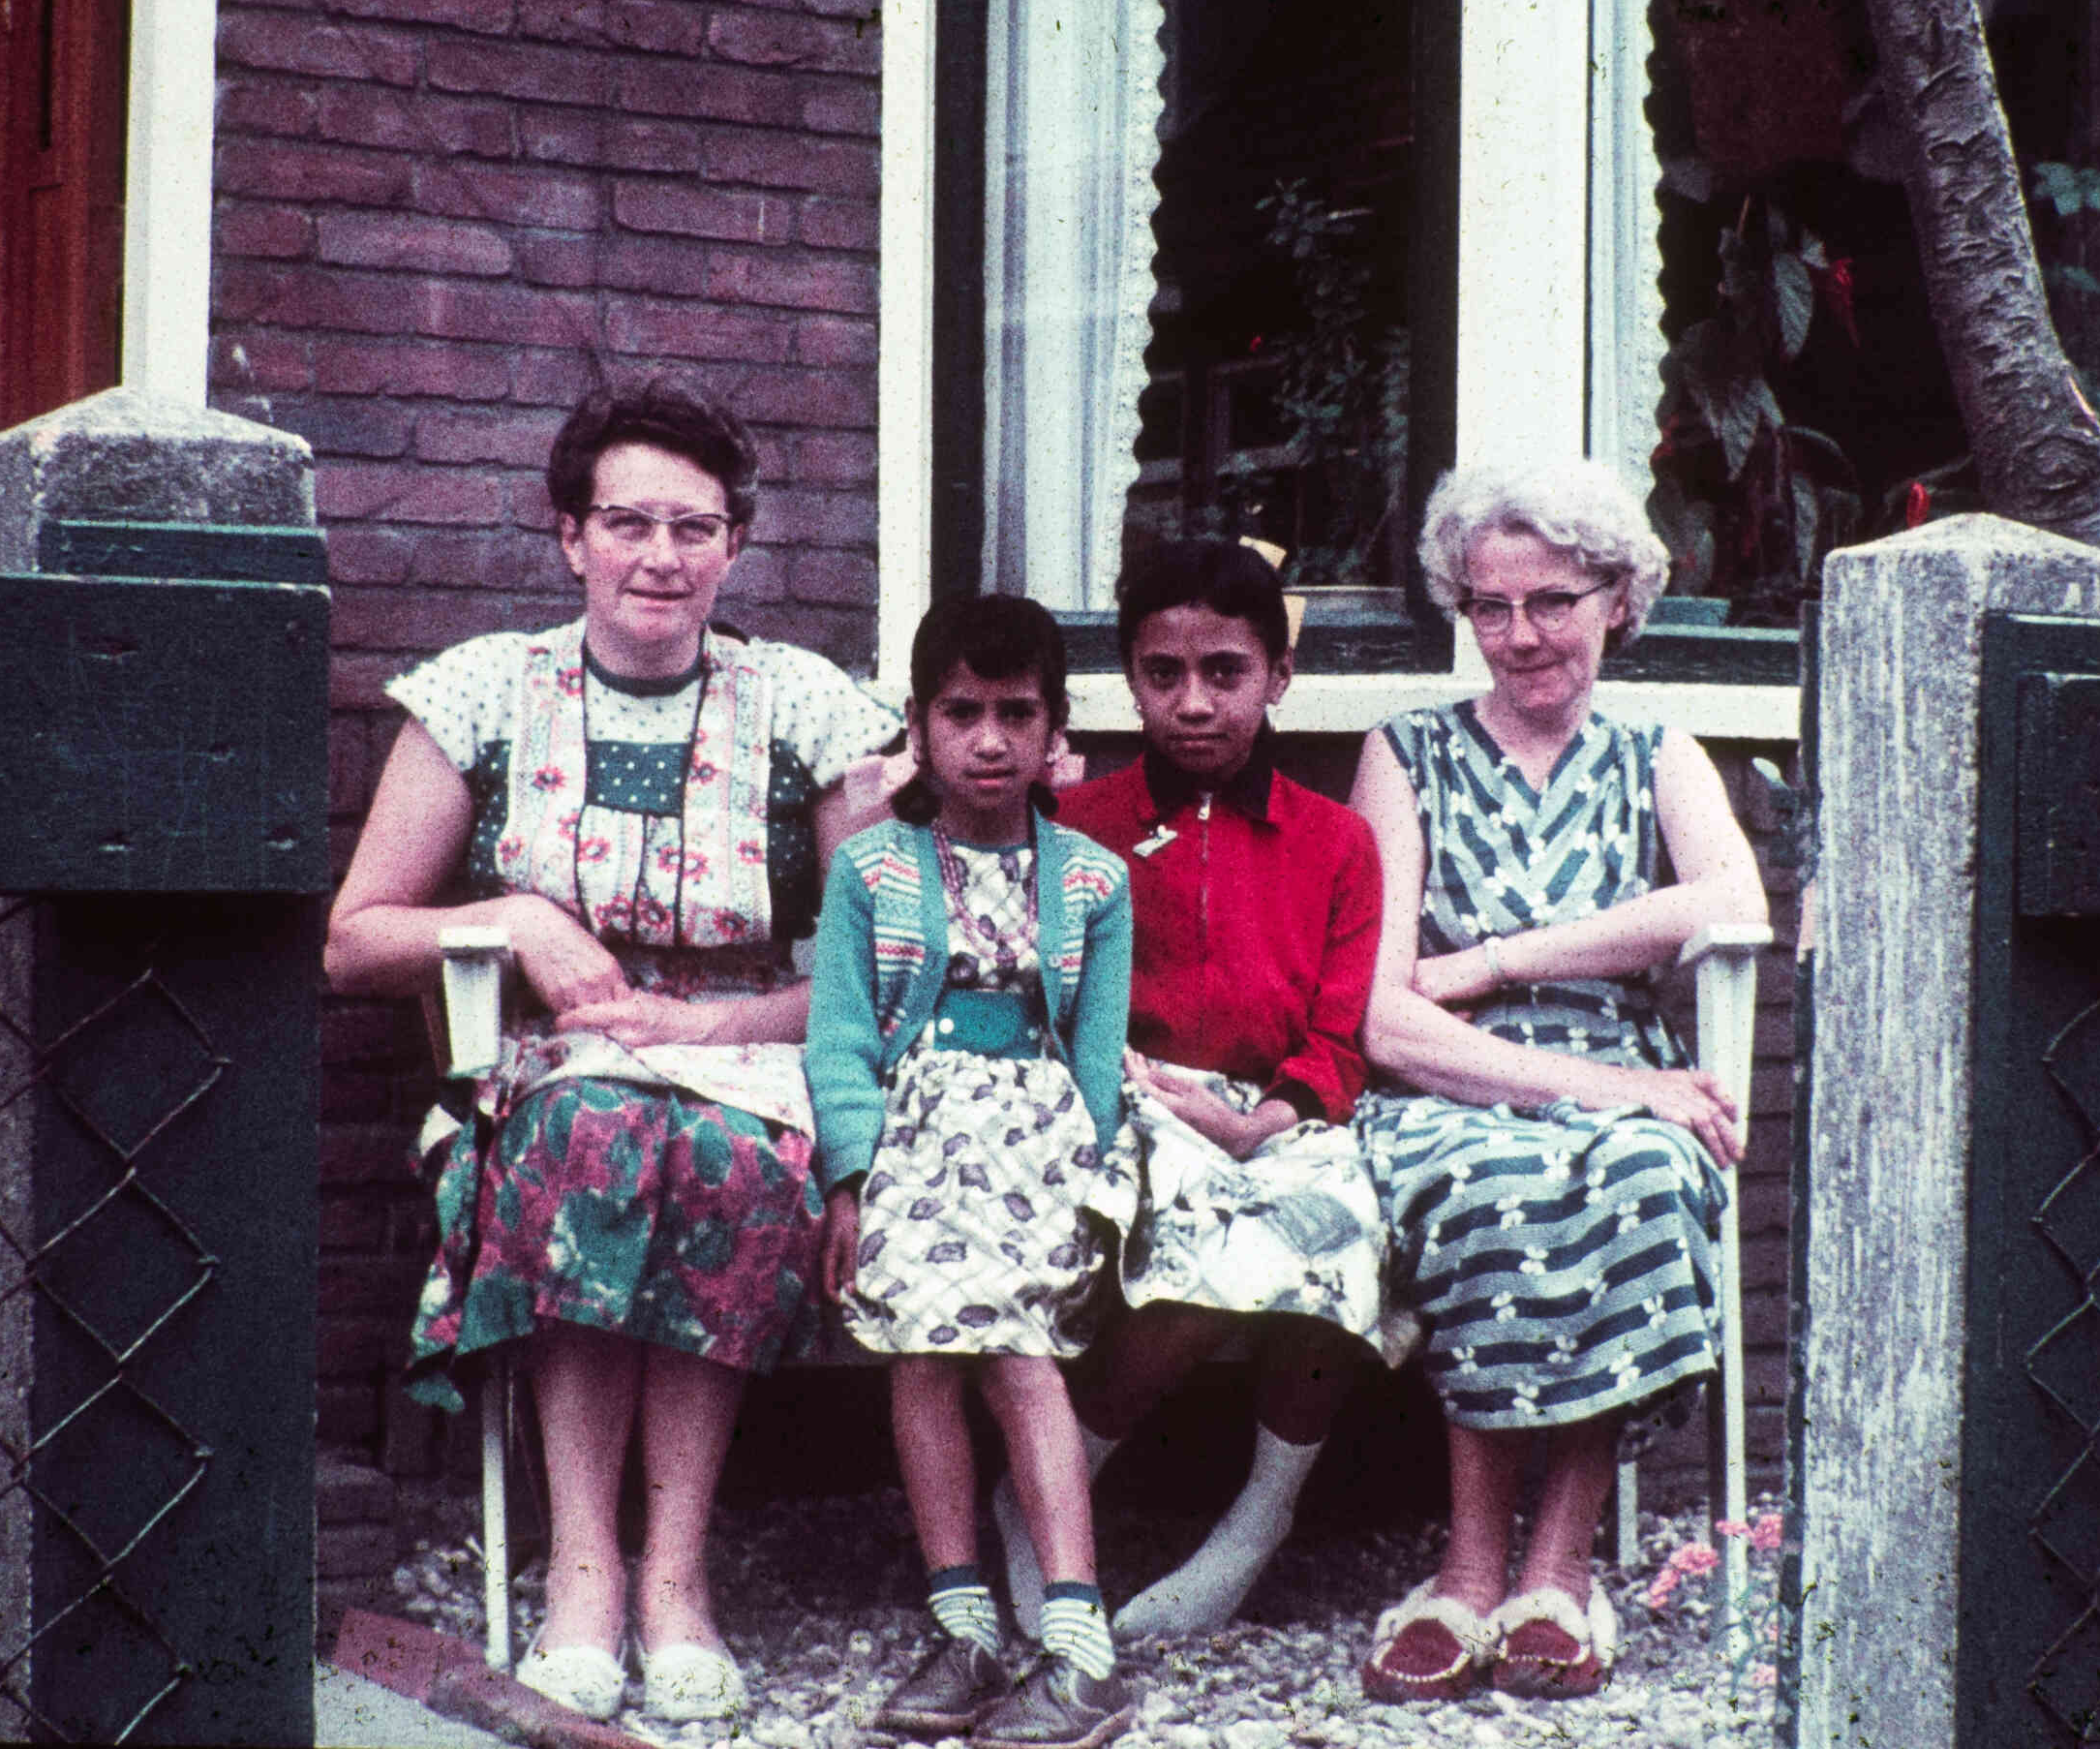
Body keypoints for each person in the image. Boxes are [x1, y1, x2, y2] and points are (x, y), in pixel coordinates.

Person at [325, 379, 901, 1725]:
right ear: (569, 533)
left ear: (733, 546)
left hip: (747, 1043)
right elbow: (353, 938)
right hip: (544, 1053)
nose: (660, 555)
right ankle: (583, 1567)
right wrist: (516, 919)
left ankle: (676, 1574)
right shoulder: (485, 688)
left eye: (694, 527)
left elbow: (877, 962)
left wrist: (707, 1026)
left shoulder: (802, 703)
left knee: (729, 1154)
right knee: (599, 1135)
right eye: (628, 522)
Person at [1347, 460, 1767, 1704]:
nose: (1519, 633)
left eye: (1551, 601)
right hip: (1451, 1078)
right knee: (1488, 1176)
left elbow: (1732, 896)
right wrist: (1595, 1083)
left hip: (1616, 1081)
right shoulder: (1405, 752)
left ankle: (1556, 1566)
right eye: (1488, 605)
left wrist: (1496, 958)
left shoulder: (1655, 749)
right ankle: (1471, 1566)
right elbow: (1383, 1014)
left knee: (1642, 1170)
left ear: (1617, 598)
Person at [1009, 537, 1392, 1642]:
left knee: (1333, 1234)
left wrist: (1260, 1117)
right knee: (1200, 1251)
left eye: (1225, 672)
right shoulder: (1075, 826)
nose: (1191, 703)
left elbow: (1338, 1036)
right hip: (1123, 1094)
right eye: (1162, 673)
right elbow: (1040, 987)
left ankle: (1256, 1524)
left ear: (1278, 676)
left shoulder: (1335, 842)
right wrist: (1136, 1085)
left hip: (1279, 1110)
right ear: (1128, 679)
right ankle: (1040, 1497)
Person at [804, 594, 1141, 1749]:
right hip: (914, 1141)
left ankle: (1079, 1647)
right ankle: (966, 1628)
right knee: (919, 1355)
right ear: (917, 723)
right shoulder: (871, 868)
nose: (989, 739)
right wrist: (848, 1177)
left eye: (1016, 713)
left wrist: (1096, 1180)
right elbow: (841, 1035)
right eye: (960, 712)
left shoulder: (1091, 879)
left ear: (1055, 729)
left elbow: (1094, 1053)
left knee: (1018, 1353)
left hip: (1037, 1143)